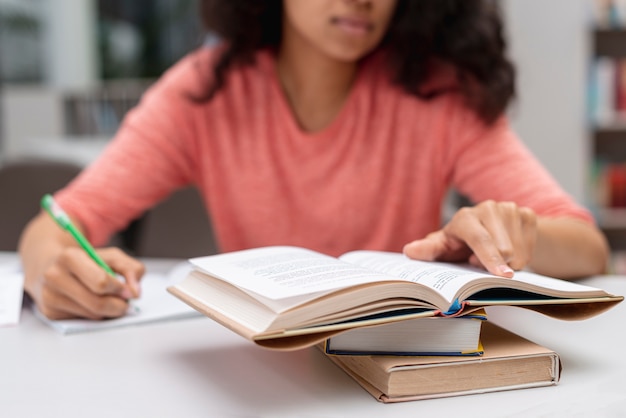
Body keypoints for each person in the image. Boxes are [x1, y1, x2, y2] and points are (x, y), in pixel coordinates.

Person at [19, 0, 609, 320]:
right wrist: (54, 274)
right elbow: (57, 224)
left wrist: (518, 236)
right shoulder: (203, 93)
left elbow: (587, 244)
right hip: (253, 378)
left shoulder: (437, 94)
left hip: (403, 371)